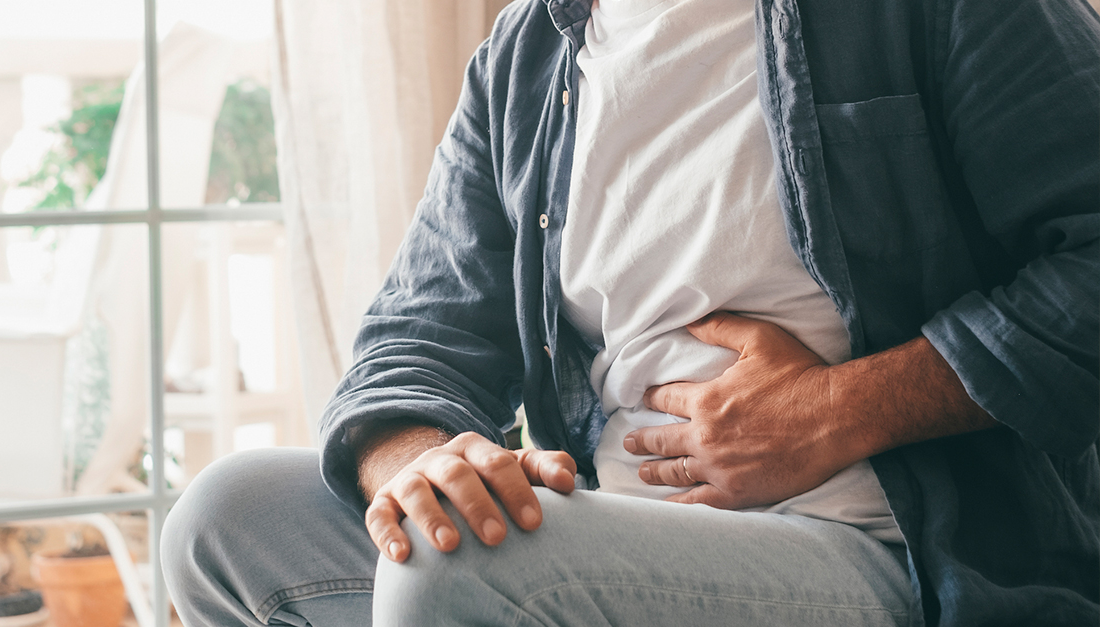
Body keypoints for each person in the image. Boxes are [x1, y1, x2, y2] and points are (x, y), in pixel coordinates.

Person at [161, 0, 1100, 625]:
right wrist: (421, 463)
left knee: (453, 571)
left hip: (891, 549)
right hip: (609, 523)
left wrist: (838, 409)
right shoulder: (530, 55)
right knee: (225, 516)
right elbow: (418, 332)